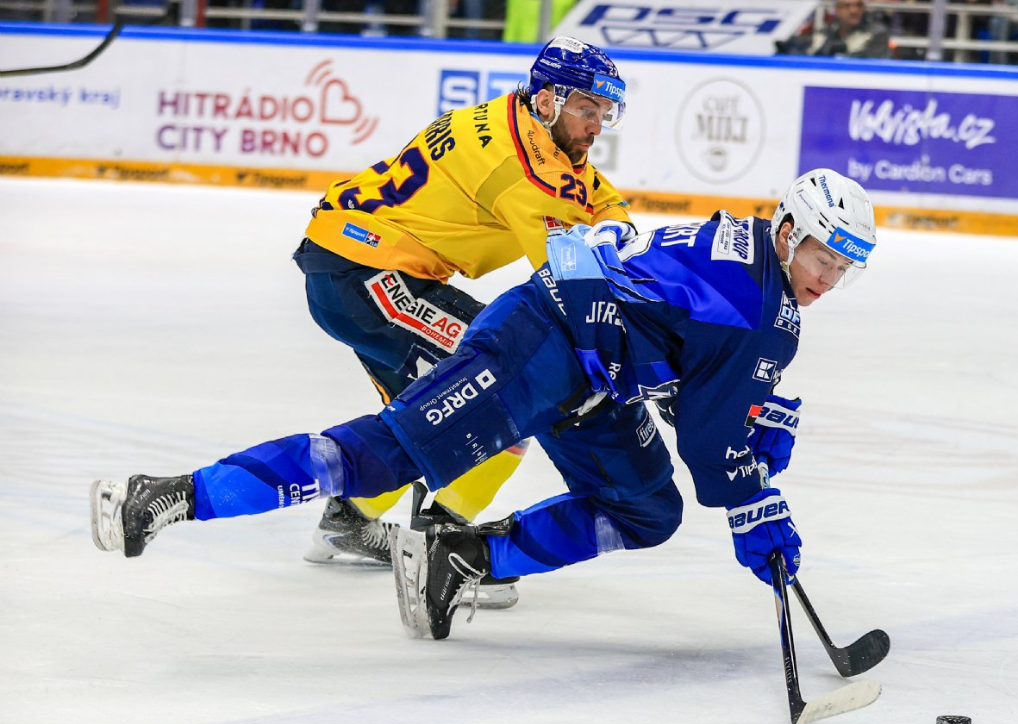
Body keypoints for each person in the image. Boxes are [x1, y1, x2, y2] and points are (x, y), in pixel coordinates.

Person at [89, 168, 879, 641]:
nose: (827, 279)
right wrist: (755, 499)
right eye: (822, 256)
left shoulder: (744, 251)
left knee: (645, 509)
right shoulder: (764, 316)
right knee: (385, 455)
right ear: (788, 230)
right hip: (541, 343)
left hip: (589, 369)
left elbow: (675, 349)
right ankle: (171, 494)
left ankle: (457, 558)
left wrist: (737, 413)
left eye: (842, 268)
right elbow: (711, 451)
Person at [291, 35, 633, 610]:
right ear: (547, 100)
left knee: (425, 413)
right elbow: (572, 276)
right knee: (510, 389)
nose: (596, 126)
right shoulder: (523, 170)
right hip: (373, 274)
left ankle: (349, 519)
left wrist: (615, 222)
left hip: (350, 264)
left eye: (605, 112)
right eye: (587, 109)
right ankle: (442, 548)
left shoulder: (514, 118)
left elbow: (590, 191)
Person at [775, 0, 891, 59]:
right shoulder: (826, 32)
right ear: (837, 9)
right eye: (847, 6)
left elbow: (871, 61)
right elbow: (813, 55)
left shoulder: (877, 32)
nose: (854, 11)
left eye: (858, 5)